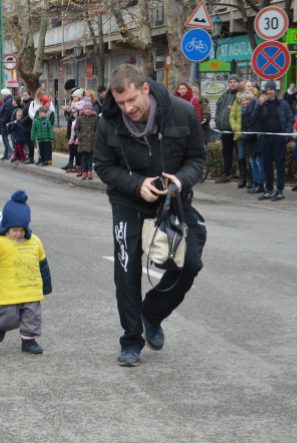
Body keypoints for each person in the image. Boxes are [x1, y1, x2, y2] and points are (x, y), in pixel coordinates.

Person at [93, 64, 207, 367]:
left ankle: (151, 314)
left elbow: (198, 158)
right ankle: (131, 340)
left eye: (132, 100)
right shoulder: (109, 121)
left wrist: (181, 179)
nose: (128, 108)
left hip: (170, 201)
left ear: (145, 88)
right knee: (127, 268)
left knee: (187, 263)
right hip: (128, 202)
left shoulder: (181, 112)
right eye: (120, 103)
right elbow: (103, 167)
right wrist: (136, 184)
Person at [0, 190, 52, 354]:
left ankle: (28, 341)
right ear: (6, 227)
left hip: (31, 290)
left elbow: (42, 265)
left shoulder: (35, 242)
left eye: (22, 230)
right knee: (8, 319)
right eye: (14, 230)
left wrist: (45, 287)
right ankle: (0, 326)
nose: (18, 234)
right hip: (9, 292)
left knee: (32, 317)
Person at [252, 80, 294, 202]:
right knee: (266, 164)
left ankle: (280, 190)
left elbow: (290, 119)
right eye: (267, 90)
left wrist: (287, 135)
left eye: (271, 89)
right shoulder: (261, 104)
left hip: (279, 138)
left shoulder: (283, 104)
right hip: (265, 138)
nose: (268, 92)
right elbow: (255, 118)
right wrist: (259, 104)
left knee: (280, 164)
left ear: (275, 91)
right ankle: (269, 189)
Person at [215, 74, 240, 183]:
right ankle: (226, 174)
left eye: (235, 81)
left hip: (236, 130)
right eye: (230, 82)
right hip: (225, 131)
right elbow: (218, 110)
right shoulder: (224, 95)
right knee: (227, 154)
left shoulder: (240, 95)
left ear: (238, 83)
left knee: (241, 154)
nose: (232, 83)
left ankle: (243, 176)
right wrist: (217, 121)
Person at [238, 92, 262, 194]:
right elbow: (243, 126)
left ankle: (260, 184)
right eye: (242, 100)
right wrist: (245, 136)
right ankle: (255, 183)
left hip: (257, 140)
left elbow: (257, 124)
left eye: (246, 100)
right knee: (252, 163)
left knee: (259, 163)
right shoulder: (243, 112)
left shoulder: (255, 109)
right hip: (248, 140)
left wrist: (251, 135)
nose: (244, 102)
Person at [74, 96, 99, 180]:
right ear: (83, 110)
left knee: (90, 158)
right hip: (83, 141)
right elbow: (76, 129)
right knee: (84, 157)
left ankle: (89, 171)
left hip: (91, 141)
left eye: (89, 108)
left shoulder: (94, 118)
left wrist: (95, 137)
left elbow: (97, 129)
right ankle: (84, 171)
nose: (88, 110)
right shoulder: (80, 118)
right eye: (86, 108)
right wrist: (79, 136)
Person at [60, 79, 80, 170]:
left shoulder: (77, 95)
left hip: (76, 123)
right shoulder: (76, 94)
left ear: (69, 89)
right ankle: (71, 162)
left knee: (75, 144)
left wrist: (67, 109)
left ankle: (76, 164)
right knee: (72, 143)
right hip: (73, 122)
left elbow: (80, 107)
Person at [0, 88, 14, 161]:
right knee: (5, 139)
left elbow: (8, 113)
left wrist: (3, 120)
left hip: (5, 123)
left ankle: (8, 154)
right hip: (3, 123)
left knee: (6, 140)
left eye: (2, 94)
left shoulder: (8, 101)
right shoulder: (7, 101)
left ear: (4, 95)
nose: (1, 95)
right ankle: (6, 154)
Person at [20, 90, 35, 163]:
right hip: (25, 126)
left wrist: (22, 122)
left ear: (29, 95)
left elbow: (30, 115)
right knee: (28, 143)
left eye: (26, 95)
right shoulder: (26, 103)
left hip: (29, 126)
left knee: (30, 143)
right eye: (23, 95)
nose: (24, 96)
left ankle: (31, 158)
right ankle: (29, 157)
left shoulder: (30, 103)